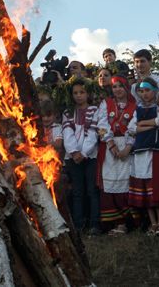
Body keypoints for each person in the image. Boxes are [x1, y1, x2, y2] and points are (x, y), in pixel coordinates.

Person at [128, 78, 159, 235]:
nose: (144, 94)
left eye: (147, 90)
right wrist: (149, 124)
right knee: (145, 187)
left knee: (157, 187)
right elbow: (131, 128)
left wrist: (143, 124)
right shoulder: (137, 109)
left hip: (155, 150)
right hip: (140, 152)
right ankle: (153, 223)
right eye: (141, 91)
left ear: (154, 90)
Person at [95, 76, 137, 235]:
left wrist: (127, 147)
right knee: (110, 182)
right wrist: (110, 144)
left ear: (126, 88)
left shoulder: (135, 105)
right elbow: (101, 124)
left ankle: (126, 223)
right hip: (109, 147)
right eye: (114, 87)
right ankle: (114, 222)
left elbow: (134, 127)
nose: (117, 89)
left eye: (120, 86)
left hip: (127, 146)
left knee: (126, 182)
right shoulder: (106, 103)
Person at [62, 78, 100, 234]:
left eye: (82, 92)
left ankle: (95, 224)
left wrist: (83, 152)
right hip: (72, 157)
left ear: (88, 94)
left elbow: (93, 133)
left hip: (90, 157)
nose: (78, 96)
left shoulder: (94, 110)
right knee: (77, 191)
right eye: (75, 93)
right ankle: (78, 224)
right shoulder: (68, 112)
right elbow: (67, 133)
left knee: (92, 190)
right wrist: (74, 152)